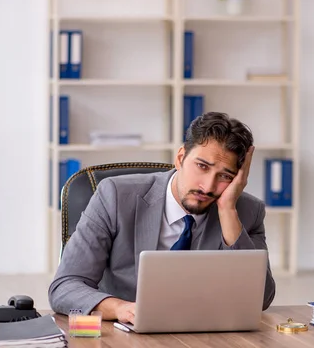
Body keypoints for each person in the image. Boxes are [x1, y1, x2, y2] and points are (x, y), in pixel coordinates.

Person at [48, 112, 276, 324]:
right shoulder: (115, 196)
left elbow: (261, 299)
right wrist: (120, 309)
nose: (207, 186)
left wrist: (228, 211)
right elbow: (65, 287)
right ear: (180, 158)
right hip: (126, 335)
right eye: (201, 166)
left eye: (225, 176)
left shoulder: (246, 211)